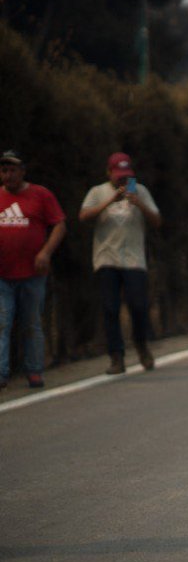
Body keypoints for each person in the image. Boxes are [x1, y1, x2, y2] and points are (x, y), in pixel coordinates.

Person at [79, 153, 162, 374]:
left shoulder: (140, 190)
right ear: (109, 173)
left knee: (138, 306)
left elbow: (157, 221)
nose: (122, 181)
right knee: (110, 308)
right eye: (118, 176)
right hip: (107, 258)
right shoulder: (98, 192)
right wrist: (109, 202)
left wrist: (140, 204)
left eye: (126, 176)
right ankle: (117, 357)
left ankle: (141, 345)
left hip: (134, 259)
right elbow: (83, 217)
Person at [0, 150, 66, 391]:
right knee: (2, 322)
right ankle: (1, 373)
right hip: (3, 274)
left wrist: (45, 252)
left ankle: (35, 371)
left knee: (31, 323)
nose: (8, 175)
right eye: (4, 170)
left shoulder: (40, 194)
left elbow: (59, 224)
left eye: (13, 170)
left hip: (32, 273)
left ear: (22, 171)